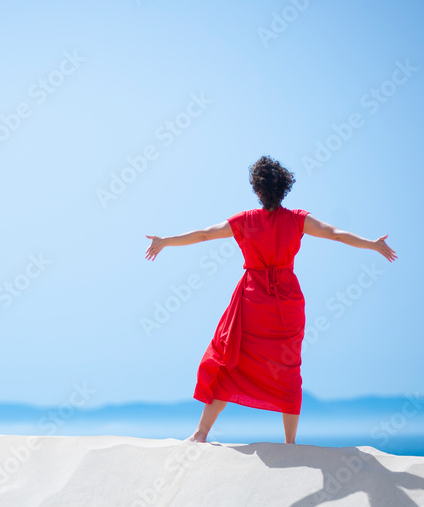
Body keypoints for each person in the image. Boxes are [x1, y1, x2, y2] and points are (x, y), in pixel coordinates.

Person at [144, 156, 397, 445]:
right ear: (284, 188)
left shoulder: (245, 220)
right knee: (288, 369)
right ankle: (290, 444)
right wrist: (372, 244)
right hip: (287, 305)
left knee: (229, 360)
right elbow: (336, 235)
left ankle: (201, 433)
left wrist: (164, 241)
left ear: (258, 189)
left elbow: (203, 235)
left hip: (252, 302)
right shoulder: (298, 219)